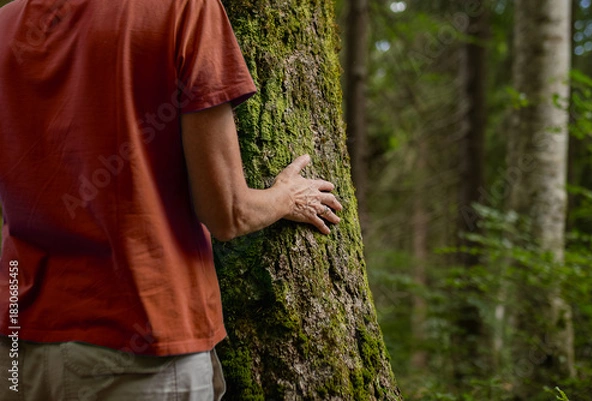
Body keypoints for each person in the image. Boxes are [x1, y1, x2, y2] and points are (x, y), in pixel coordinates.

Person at [0, 0, 342, 400]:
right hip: (140, 345)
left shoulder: (5, 24)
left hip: (17, 344)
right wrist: (286, 197)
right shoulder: (184, 8)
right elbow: (228, 213)